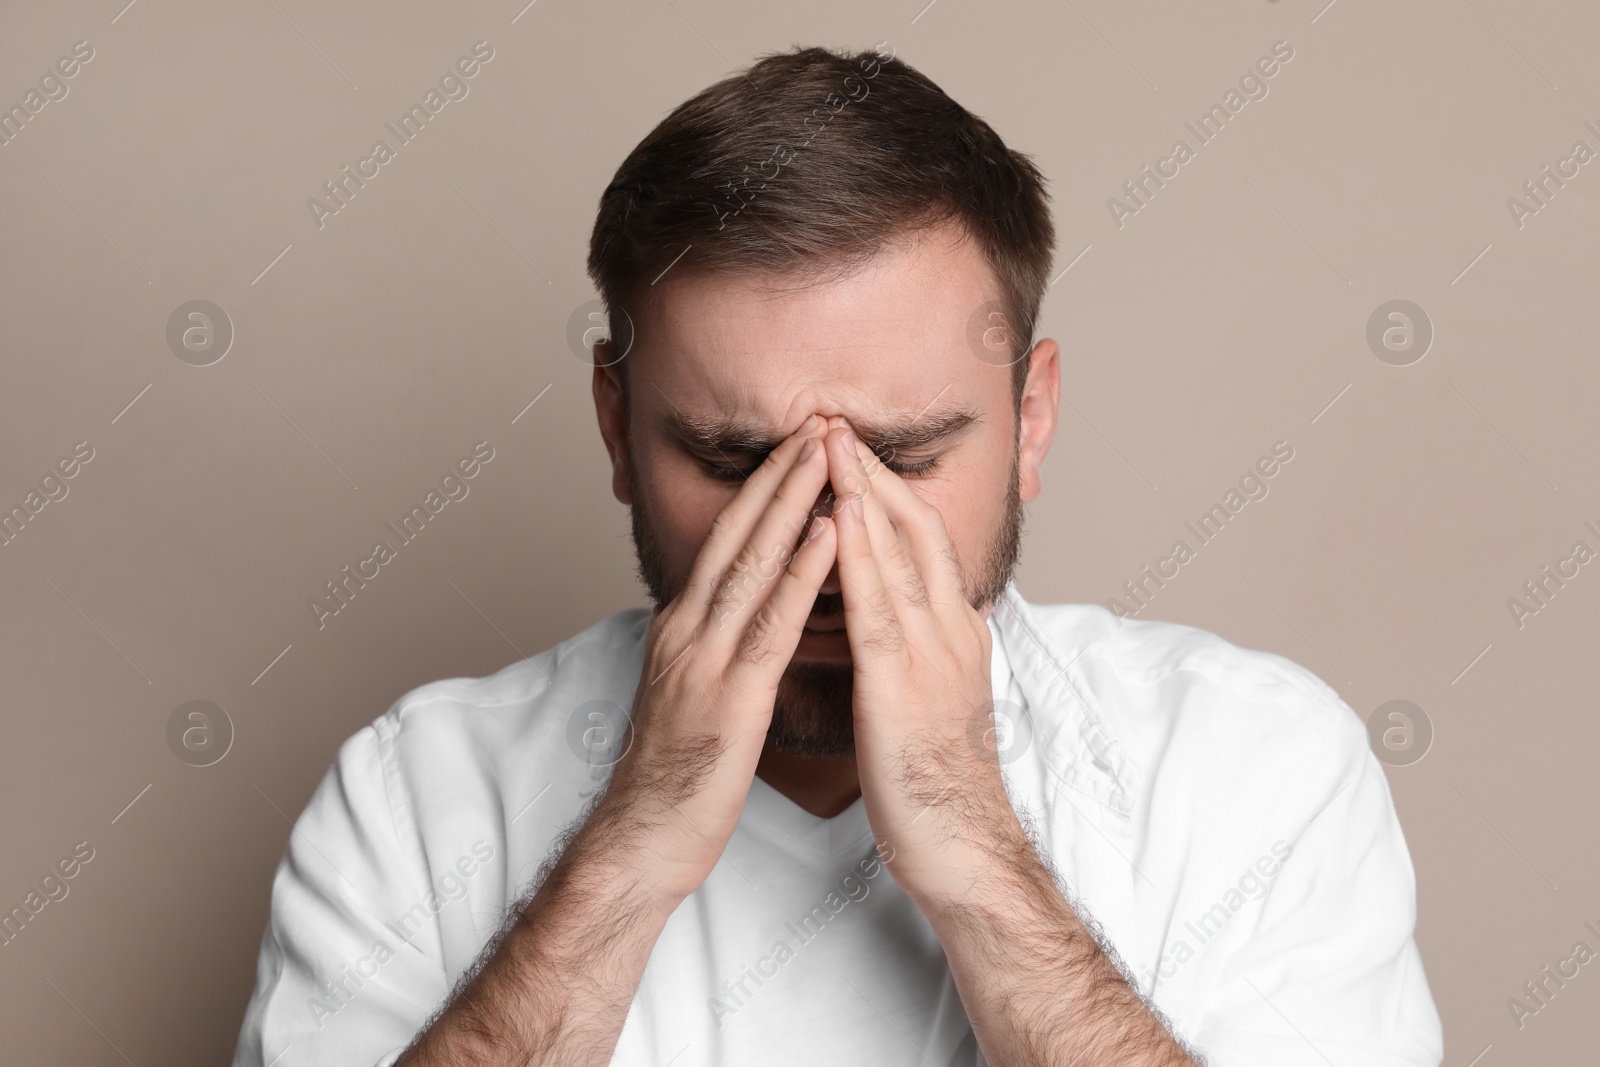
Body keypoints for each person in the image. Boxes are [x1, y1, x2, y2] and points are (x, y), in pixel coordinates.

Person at [231, 44, 1442, 1067]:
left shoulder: (1257, 773)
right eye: (730, 458)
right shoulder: (412, 796)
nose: (821, 536)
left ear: (1030, 422)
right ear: (615, 427)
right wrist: (632, 844)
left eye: (903, 455)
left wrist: (973, 845)